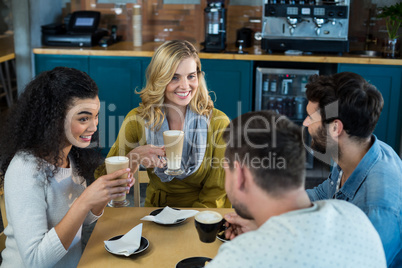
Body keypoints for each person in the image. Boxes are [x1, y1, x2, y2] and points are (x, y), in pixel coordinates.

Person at [224, 72, 402, 268]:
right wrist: (264, 221)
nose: (305, 123)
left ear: (336, 128)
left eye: (311, 117)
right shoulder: (356, 150)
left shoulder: (379, 209)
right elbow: (321, 194)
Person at [206, 110, 386, 267]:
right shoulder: (354, 216)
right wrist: (263, 230)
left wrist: (258, 240)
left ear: (239, 175)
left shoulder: (239, 258)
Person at [0, 67, 134, 267]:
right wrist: (84, 200)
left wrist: (102, 196)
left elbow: (82, 220)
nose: (94, 126)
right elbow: (35, 260)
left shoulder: (70, 155)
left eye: (96, 116)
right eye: (83, 118)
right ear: (53, 119)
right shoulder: (24, 170)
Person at [95, 40, 231, 208]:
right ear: (159, 79)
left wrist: (191, 224)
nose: (185, 86)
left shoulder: (219, 123)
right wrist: (134, 157)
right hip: (156, 213)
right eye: (174, 77)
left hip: (202, 216)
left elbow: (216, 192)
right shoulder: (137, 120)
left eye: (191, 76)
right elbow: (102, 180)